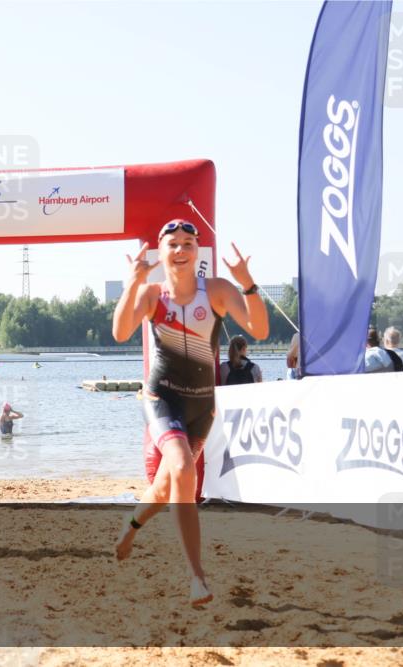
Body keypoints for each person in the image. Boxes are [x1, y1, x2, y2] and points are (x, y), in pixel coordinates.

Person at [111, 219, 269, 608]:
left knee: (165, 489)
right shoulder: (150, 295)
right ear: (160, 253)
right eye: (173, 244)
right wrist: (132, 281)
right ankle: (197, 576)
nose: (180, 250)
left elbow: (260, 330)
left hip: (201, 406)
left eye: (188, 244)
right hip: (163, 397)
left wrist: (247, 283)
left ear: (197, 252)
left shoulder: (215, 290)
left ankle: (130, 529)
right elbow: (119, 332)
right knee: (183, 469)